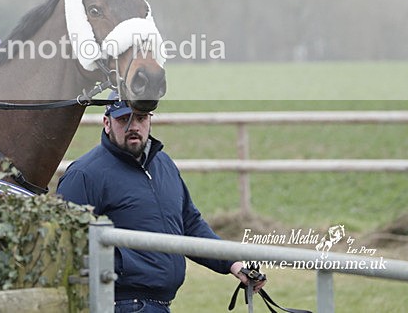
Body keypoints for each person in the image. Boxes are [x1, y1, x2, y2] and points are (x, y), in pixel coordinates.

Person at [56, 95, 266, 312]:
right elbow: (66, 245)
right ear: (106, 123)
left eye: (140, 118)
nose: (133, 126)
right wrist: (122, 267)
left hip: (158, 304)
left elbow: (189, 224)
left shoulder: (163, 164)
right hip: (118, 304)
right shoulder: (84, 175)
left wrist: (234, 264)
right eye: (124, 119)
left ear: (150, 120)